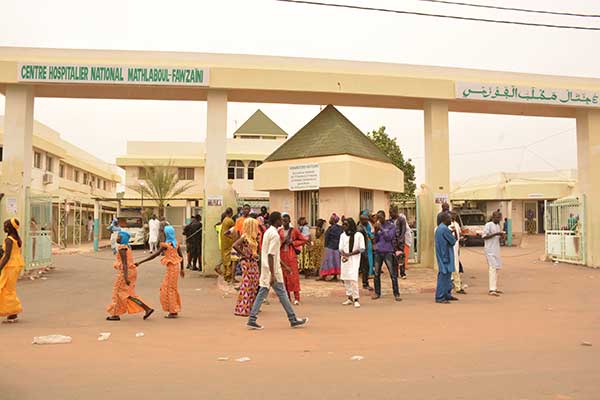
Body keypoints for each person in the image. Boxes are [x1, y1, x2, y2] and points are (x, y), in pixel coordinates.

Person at [247, 212, 308, 330]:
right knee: (279, 293)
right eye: (280, 219)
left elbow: (273, 255)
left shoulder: (268, 232)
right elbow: (271, 255)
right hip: (272, 270)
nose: (282, 221)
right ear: (276, 221)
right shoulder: (274, 235)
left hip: (268, 268)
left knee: (267, 293)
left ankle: (253, 318)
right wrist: (273, 274)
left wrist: (284, 266)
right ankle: (292, 319)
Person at [136, 225, 185, 318]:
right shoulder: (175, 243)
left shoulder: (166, 245)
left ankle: (173, 311)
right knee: (171, 288)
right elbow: (181, 256)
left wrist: (141, 262)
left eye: (163, 232)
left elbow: (155, 255)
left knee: (168, 289)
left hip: (171, 269)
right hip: (175, 268)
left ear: (166, 234)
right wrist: (182, 269)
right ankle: (173, 309)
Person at [106, 231, 154, 321]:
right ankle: (146, 309)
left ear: (123, 238)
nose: (117, 238)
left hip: (126, 272)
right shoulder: (127, 247)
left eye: (119, 237)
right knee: (126, 294)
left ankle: (116, 314)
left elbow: (124, 264)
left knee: (119, 293)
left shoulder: (122, 248)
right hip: (131, 271)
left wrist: (125, 277)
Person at [233, 218, 261, 317]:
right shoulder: (245, 237)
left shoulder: (253, 237)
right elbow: (235, 245)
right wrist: (244, 254)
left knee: (254, 284)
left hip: (253, 261)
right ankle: (242, 308)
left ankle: (250, 307)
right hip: (246, 262)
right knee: (247, 284)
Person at [279, 213, 308, 305]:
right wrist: (281, 242)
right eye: (283, 221)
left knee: (293, 276)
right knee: (283, 277)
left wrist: (293, 242)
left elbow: (303, 240)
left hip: (291, 255)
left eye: (286, 221)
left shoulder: (294, 231)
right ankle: (287, 298)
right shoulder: (279, 231)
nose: (284, 222)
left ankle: (297, 298)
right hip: (282, 255)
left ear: (289, 221)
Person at [372, 210, 401, 301]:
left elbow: (389, 238)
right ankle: (377, 293)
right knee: (376, 273)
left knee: (392, 274)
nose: (379, 219)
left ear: (384, 217)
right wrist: (376, 232)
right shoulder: (377, 226)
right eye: (378, 217)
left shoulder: (391, 226)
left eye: (380, 217)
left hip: (388, 251)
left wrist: (381, 229)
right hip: (378, 252)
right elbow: (375, 240)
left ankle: (396, 294)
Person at [0, 218, 24, 323]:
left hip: (10, 266)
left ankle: (13, 312)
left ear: (10, 227)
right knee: (8, 288)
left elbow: (7, 256)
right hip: (16, 265)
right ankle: (11, 312)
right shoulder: (17, 238)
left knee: (6, 289)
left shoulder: (9, 240)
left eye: (5, 225)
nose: (3, 227)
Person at [339, 218, 365, 308]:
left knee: (353, 279)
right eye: (343, 224)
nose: (344, 226)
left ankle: (356, 299)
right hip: (345, 260)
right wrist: (344, 255)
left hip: (354, 259)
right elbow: (340, 248)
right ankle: (349, 298)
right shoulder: (342, 235)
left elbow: (362, 248)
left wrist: (350, 254)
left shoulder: (359, 235)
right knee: (346, 279)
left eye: (346, 225)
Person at [435, 213, 459, 304]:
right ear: (444, 219)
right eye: (449, 218)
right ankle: (440, 296)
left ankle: (446, 294)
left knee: (447, 275)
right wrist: (453, 233)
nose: (451, 220)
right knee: (444, 276)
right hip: (445, 255)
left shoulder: (441, 228)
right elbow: (453, 241)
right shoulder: (444, 229)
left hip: (443, 254)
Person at [483, 211, 505, 297]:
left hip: (496, 250)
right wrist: (496, 234)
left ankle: (495, 287)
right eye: (497, 218)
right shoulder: (488, 225)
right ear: (493, 217)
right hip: (489, 250)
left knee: (496, 268)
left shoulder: (498, 226)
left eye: (500, 218)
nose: (499, 219)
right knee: (492, 268)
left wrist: (502, 236)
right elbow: (484, 237)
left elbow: (498, 238)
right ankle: (491, 289)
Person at [318, 213, 343, 281]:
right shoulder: (340, 228)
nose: (329, 220)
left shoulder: (331, 228)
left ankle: (324, 276)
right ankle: (335, 276)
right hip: (337, 247)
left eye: (331, 219)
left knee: (327, 261)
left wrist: (326, 246)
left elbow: (327, 237)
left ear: (334, 220)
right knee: (336, 261)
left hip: (330, 247)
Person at [450, 211, 466, 294]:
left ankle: (457, 285)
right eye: (453, 215)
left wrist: (461, 238)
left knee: (456, 266)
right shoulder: (448, 225)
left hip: (456, 247)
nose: (454, 217)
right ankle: (455, 284)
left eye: (455, 215)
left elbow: (458, 233)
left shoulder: (456, 224)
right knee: (453, 267)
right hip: (450, 248)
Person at [389, 205, 408, 279]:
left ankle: (402, 273)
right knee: (393, 257)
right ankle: (395, 272)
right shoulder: (390, 220)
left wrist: (400, 239)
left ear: (395, 212)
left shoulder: (401, 219)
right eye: (389, 213)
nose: (390, 214)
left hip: (400, 241)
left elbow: (403, 230)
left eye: (391, 212)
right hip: (392, 241)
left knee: (401, 257)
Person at [357, 211, 374, 291]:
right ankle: (365, 283)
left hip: (365, 249)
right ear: (362, 220)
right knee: (365, 267)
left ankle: (365, 282)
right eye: (366, 220)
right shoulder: (360, 229)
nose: (367, 221)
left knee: (365, 267)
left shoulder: (364, 227)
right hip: (363, 251)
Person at [219, 208, 236, 283]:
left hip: (224, 242)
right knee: (229, 259)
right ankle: (228, 276)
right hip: (229, 241)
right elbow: (234, 230)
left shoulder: (224, 220)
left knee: (225, 258)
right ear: (231, 213)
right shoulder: (230, 221)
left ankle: (226, 274)